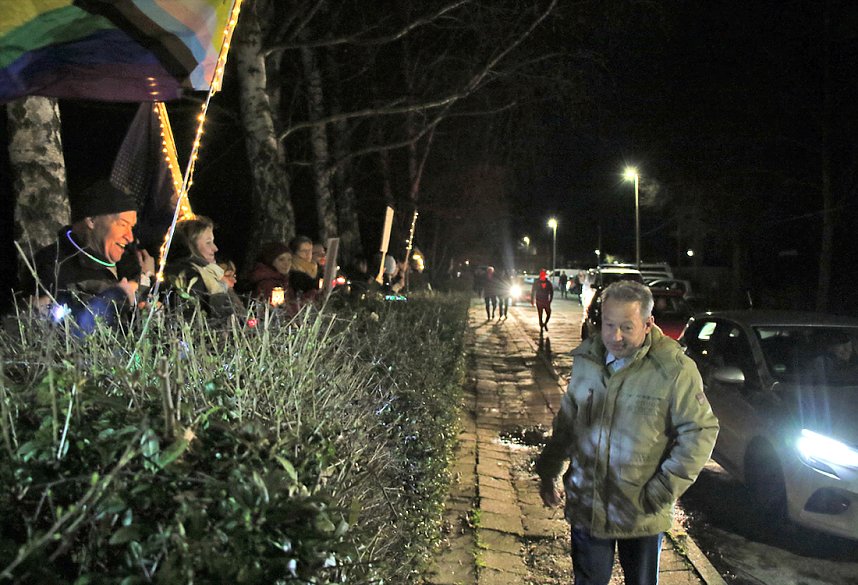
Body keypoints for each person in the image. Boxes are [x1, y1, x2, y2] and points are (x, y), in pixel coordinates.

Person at [535, 280, 719, 585]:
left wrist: (662, 490)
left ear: (648, 324)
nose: (615, 336)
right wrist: (548, 470)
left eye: (626, 327)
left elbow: (700, 431)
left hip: (640, 511)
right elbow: (567, 422)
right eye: (609, 325)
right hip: (588, 505)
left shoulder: (673, 370)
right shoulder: (587, 360)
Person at [22, 179, 155, 331]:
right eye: (123, 224)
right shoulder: (52, 266)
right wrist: (115, 297)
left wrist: (147, 281)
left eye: (131, 227)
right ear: (91, 220)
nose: (129, 237)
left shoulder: (130, 263)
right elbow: (59, 329)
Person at [164, 216, 239, 319]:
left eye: (213, 242)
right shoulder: (189, 276)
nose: (215, 248)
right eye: (208, 243)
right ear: (190, 246)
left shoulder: (207, 273)